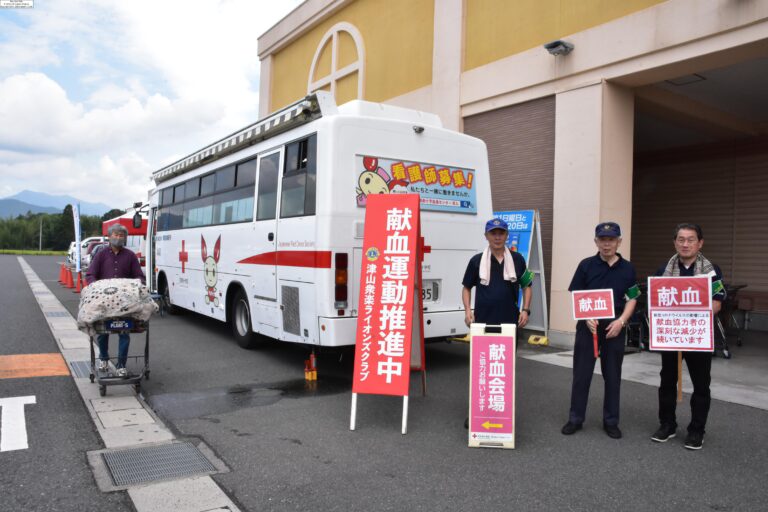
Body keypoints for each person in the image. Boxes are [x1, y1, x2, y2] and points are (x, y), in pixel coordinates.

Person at [561, 222, 640, 439]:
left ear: (619, 241)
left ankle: (611, 421)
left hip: (614, 328)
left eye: (611, 239)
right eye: (602, 240)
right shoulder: (586, 265)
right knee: (581, 375)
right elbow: (576, 295)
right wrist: (586, 317)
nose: (607, 244)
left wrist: (622, 321)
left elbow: (632, 297)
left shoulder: (628, 268)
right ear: (596, 241)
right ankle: (575, 418)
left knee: (613, 376)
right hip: (589, 328)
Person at [650, 223, 725, 450]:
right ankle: (667, 424)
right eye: (681, 239)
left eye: (690, 239)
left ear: (700, 243)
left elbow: (717, 301)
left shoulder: (711, 270)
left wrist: (695, 320)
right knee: (667, 381)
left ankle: (696, 430)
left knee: (701, 384)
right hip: (672, 336)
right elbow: (656, 301)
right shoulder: (665, 268)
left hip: (697, 335)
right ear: (675, 242)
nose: (685, 244)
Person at [461, 218, 533, 429]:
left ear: (507, 235)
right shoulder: (476, 261)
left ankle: (502, 412)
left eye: (501, 232)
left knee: (504, 370)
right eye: (493, 233)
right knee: (481, 371)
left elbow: (527, 285)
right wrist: (467, 311)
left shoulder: (518, 259)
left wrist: (526, 310)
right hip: (482, 322)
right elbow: (466, 287)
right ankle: (476, 412)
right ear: (486, 236)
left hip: (509, 322)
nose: (498, 236)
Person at [85, 224, 145, 377]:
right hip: (104, 301)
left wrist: (136, 284)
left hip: (125, 303)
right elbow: (90, 274)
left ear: (125, 238)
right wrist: (96, 286)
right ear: (109, 237)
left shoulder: (130, 256)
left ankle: (121, 365)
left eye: (121, 235)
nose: (118, 238)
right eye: (116, 235)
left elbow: (139, 276)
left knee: (124, 332)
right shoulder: (101, 255)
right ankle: (104, 359)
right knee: (102, 332)